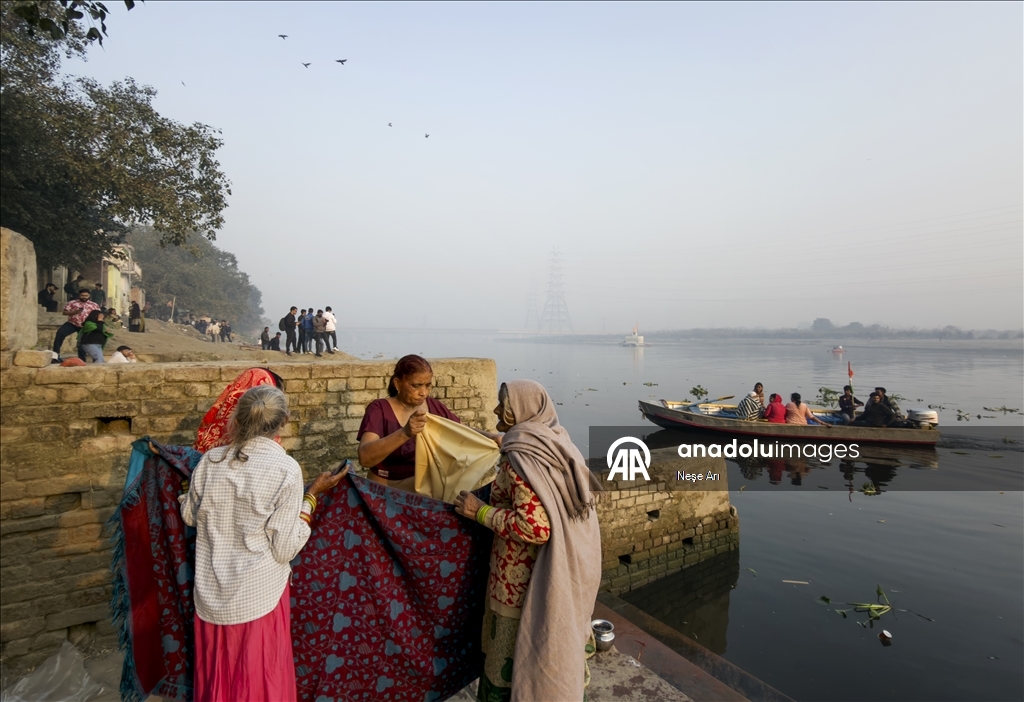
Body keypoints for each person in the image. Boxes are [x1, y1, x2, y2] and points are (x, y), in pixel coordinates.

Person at [179, 385, 347, 702]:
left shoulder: (211, 461)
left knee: (219, 677)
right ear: (284, 421)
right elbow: (284, 548)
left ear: (238, 419)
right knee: (257, 680)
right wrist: (310, 499)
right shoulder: (285, 469)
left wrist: (183, 495)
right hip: (258, 598)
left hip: (211, 595)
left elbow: (190, 514)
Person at [453, 379, 602, 702]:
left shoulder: (519, 458)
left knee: (514, 663)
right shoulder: (555, 441)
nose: (496, 410)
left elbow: (536, 527)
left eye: (503, 406)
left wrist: (480, 511)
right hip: (570, 568)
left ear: (520, 411)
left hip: (520, 583)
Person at [357, 355, 462, 493]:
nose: (423, 393)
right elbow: (365, 458)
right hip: (385, 492)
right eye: (416, 386)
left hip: (424, 493)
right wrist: (404, 433)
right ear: (398, 383)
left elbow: (463, 432)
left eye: (428, 385)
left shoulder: (434, 406)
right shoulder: (379, 409)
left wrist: (488, 437)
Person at [53, 289, 100, 360]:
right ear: (79, 295)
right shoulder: (72, 303)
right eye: (82, 295)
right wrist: (74, 312)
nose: (84, 297)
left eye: (86, 295)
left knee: (81, 342)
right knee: (60, 333)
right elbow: (64, 312)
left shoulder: (94, 305)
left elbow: (99, 315)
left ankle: (82, 359)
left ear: (89, 296)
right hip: (72, 323)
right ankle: (56, 354)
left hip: (85, 326)